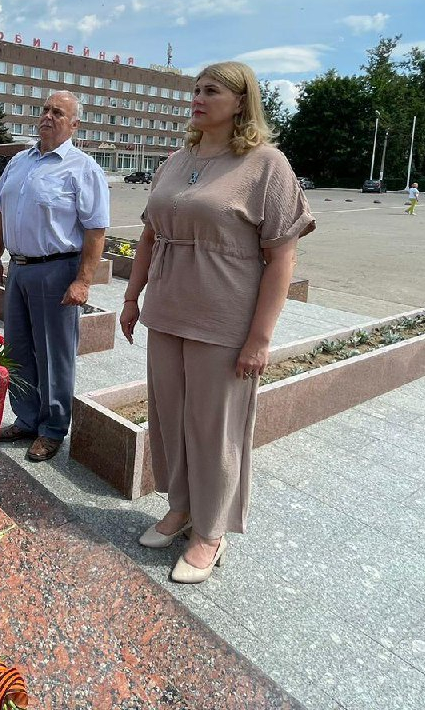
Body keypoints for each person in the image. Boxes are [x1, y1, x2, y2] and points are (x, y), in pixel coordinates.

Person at [119, 62, 314, 583]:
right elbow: (148, 236)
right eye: (196, 90)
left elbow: (282, 258)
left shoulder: (266, 165)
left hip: (223, 317)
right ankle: (181, 508)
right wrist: (132, 298)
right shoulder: (177, 159)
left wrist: (260, 337)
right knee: (172, 418)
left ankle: (211, 530)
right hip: (168, 310)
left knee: (215, 428)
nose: (198, 99)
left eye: (212, 91)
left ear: (241, 101)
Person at [0, 91, 110, 462]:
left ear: (74, 124)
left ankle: (53, 428)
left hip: (57, 271)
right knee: (19, 350)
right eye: (44, 110)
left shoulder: (82, 168)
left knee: (55, 355)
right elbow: (0, 212)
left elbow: (96, 230)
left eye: (58, 112)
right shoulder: (19, 162)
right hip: (19, 269)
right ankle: (26, 418)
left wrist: (83, 280)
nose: (47, 116)